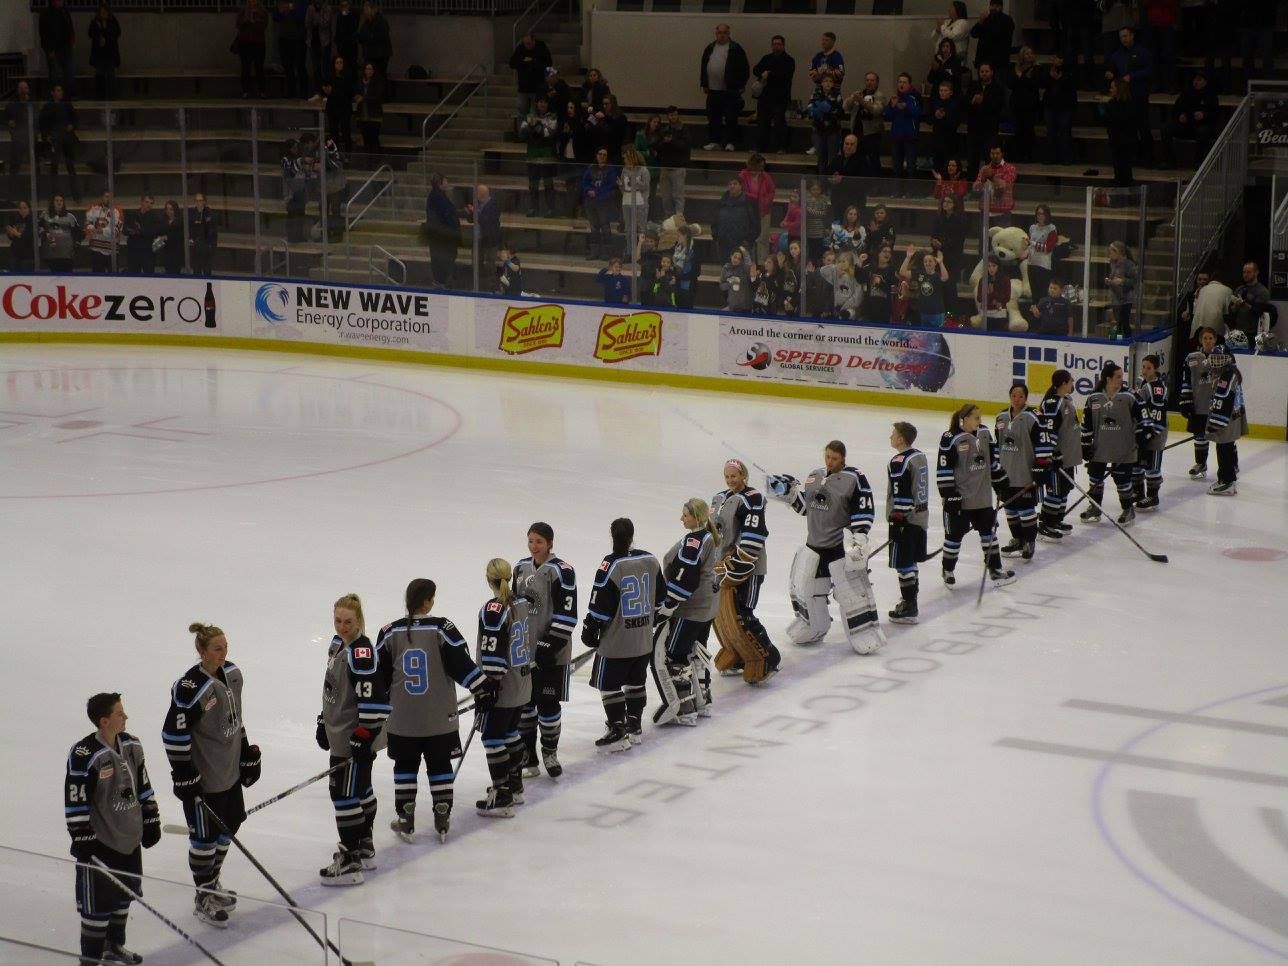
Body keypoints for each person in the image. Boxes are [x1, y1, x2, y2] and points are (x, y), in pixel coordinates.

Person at [381, 578, 495, 844]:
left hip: (402, 718)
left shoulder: (390, 632)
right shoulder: (442, 628)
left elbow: (379, 677)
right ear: (428, 601)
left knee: (405, 765)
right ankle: (442, 816)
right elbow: (461, 664)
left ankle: (406, 818)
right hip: (440, 717)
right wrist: (483, 687)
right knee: (440, 764)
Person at [161, 623, 260, 928]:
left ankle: (211, 882)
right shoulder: (192, 688)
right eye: (216, 648)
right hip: (205, 778)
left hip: (228, 772)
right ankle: (203, 895)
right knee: (204, 839)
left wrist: (245, 754)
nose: (223, 653)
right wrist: (184, 774)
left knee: (228, 827)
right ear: (201, 652)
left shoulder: (233, 674)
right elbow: (172, 734)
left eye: (225, 646)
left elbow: (237, 718)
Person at [66, 692, 160, 966]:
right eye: (120, 713)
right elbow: (75, 800)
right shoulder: (85, 755)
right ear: (104, 721)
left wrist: (151, 816)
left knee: (123, 897)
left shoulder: (132, 745)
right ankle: (91, 961)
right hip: (101, 845)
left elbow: (143, 785)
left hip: (129, 840)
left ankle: (114, 947)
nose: (126, 717)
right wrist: (82, 837)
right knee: (96, 911)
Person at [766, 440, 884, 654]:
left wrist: (859, 537)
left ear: (843, 458)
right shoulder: (815, 476)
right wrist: (788, 493)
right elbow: (806, 508)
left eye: (835, 458)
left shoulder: (855, 478)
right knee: (807, 589)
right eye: (827, 456)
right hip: (815, 547)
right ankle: (813, 626)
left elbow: (863, 510)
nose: (830, 461)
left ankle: (864, 631)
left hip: (839, 548)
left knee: (851, 594)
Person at [316, 593, 392, 885]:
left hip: (352, 736)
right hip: (340, 732)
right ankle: (364, 846)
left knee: (344, 795)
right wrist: (324, 719)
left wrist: (364, 735)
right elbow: (331, 687)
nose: (342, 626)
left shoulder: (361, 653)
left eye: (348, 621)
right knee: (360, 789)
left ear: (359, 621)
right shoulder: (337, 645)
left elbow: (375, 700)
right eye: (338, 620)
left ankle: (351, 858)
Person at [581, 518, 665, 751]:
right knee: (635, 681)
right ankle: (635, 724)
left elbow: (600, 606)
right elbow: (660, 599)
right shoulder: (650, 559)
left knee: (608, 684)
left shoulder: (610, 565)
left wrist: (591, 629)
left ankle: (618, 728)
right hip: (643, 640)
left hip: (616, 642)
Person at [511, 522, 578, 780]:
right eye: (530, 541)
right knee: (525, 705)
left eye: (539, 541)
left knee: (548, 704)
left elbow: (567, 614)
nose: (533, 546)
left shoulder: (562, 571)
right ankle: (529, 755)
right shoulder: (519, 568)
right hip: (524, 654)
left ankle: (550, 751)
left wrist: (548, 646)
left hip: (553, 653)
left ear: (550, 543)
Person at [472, 559, 533, 818]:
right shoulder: (521, 603)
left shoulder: (494, 609)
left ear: (489, 579)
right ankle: (515, 785)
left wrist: (489, 686)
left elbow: (493, 651)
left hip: (502, 686)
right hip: (522, 683)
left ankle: (502, 794)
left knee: (492, 738)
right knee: (510, 733)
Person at [652, 498, 720, 726]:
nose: (681, 518)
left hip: (691, 608)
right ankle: (704, 701)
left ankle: (685, 707)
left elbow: (686, 577)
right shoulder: (707, 536)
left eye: (685, 515)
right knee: (698, 650)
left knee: (675, 655)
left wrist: (668, 605)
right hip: (707, 605)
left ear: (697, 517)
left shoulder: (694, 540)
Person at [710, 458, 780, 680]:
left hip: (748, 568)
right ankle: (739, 654)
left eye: (735, 476)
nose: (731, 480)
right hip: (722, 568)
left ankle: (768, 657)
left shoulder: (752, 499)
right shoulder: (719, 498)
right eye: (727, 476)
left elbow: (753, 538)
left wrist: (735, 563)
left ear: (744, 476)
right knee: (724, 615)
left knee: (742, 614)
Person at [937, 404, 1016, 589]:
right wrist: (950, 495)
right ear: (964, 419)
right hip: (960, 499)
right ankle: (948, 569)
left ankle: (995, 570)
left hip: (982, 498)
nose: (979, 421)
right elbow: (944, 469)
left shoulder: (985, 434)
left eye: (980, 417)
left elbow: (993, 461)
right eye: (975, 417)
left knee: (989, 534)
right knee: (953, 537)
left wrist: (1001, 480)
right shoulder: (950, 439)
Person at [1079, 361, 1144, 526]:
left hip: (1123, 448)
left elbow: (1142, 420)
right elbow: (1086, 424)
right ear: (1108, 379)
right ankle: (1094, 508)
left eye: (1122, 376)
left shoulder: (1130, 397)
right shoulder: (1094, 398)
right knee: (1095, 478)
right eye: (1118, 377)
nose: (1121, 380)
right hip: (1100, 447)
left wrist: (1142, 438)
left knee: (1122, 481)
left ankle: (1128, 509)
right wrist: (1085, 444)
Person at [884, 422, 930, 624]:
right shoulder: (919, 456)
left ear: (901, 438)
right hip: (920, 517)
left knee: (903, 563)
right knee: (910, 561)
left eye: (893, 434)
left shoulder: (898, 461)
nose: (891, 437)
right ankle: (911, 602)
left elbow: (901, 492)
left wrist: (897, 519)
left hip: (905, 520)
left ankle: (909, 604)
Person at [995, 383, 1044, 562]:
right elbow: (997, 445)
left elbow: (1042, 445)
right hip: (1006, 474)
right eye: (1014, 396)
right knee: (1010, 509)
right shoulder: (1000, 417)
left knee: (1026, 509)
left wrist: (1040, 469)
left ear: (1026, 398)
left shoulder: (1034, 417)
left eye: (1020, 396)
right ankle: (1018, 539)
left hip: (1025, 473)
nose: (1017, 399)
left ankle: (1029, 541)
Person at [1036, 369, 1081, 541]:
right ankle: (1046, 524)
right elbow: (1049, 430)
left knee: (1065, 488)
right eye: (1070, 381)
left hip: (1068, 456)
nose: (1072, 384)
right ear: (1063, 383)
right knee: (1055, 490)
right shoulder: (1052, 403)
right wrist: (1052, 453)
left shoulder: (1066, 400)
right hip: (1057, 457)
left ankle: (1056, 520)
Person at [1105, 26, 1155, 167]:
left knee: (1144, 128)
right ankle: (1133, 159)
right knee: (1128, 130)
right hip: (1125, 98)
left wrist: (1132, 76)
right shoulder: (1117, 54)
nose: (1124, 39)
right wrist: (1110, 72)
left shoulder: (1143, 52)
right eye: (1121, 37)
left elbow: (1149, 70)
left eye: (1126, 36)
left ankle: (1149, 159)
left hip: (1139, 95)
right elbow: (1112, 68)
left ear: (1132, 36)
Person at [1179, 326, 1223, 481]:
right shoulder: (1191, 358)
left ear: (1215, 340)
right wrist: (1185, 401)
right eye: (1205, 338)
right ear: (1200, 340)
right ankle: (1201, 463)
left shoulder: (1221, 357)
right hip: (1199, 404)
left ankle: (1230, 465)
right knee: (1199, 437)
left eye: (1211, 338)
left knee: (1223, 438)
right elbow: (1186, 381)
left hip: (1216, 406)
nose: (1208, 341)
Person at [699, 23, 750, 152]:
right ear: (716, 33)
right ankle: (714, 141)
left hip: (729, 90)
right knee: (713, 117)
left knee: (731, 117)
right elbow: (704, 66)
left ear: (729, 34)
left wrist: (741, 85)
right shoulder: (710, 48)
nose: (722, 35)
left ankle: (730, 142)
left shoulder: (736, 49)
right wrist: (704, 83)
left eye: (724, 33)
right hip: (712, 90)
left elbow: (744, 68)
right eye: (719, 33)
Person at [1203, 347, 1245, 496]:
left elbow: (1224, 399)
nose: (1216, 361)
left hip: (1227, 419)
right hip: (1229, 418)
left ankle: (1227, 481)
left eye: (1220, 358)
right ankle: (1228, 476)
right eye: (1214, 357)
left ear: (1227, 359)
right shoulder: (1225, 374)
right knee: (1226, 447)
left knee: (1224, 448)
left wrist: (1215, 423)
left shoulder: (1228, 376)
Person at [1159, 70, 1217, 169]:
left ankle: (1198, 162)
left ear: (1205, 82)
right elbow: (1175, 110)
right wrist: (1179, 116)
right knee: (1165, 128)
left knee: (1203, 131)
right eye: (1195, 79)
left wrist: (1204, 115)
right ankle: (1169, 161)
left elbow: (1215, 113)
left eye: (1199, 80)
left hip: (1200, 126)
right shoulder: (1186, 92)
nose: (1196, 82)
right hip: (1185, 126)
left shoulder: (1211, 95)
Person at [1133, 354, 1168, 510]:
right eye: (1143, 367)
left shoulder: (1154, 387)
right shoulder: (1144, 384)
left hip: (1155, 431)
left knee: (1152, 466)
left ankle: (1153, 496)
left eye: (1148, 368)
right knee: (1138, 463)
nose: (1145, 370)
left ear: (1156, 369)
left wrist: (1151, 432)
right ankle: (1139, 494)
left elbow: (1156, 412)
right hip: (1145, 430)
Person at [752, 35, 795, 154]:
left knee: (779, 123)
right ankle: (760, 147)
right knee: (762, 123)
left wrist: (769, 73)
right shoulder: (766, 58)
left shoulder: (789, 60)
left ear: (783, 45)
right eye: (774, 44)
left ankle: (782, 147)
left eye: (778, 44)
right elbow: (755, 69)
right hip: (765, 97)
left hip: (780, 98)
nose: (776, 46)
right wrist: (763, 73)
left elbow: (786, 75)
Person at [39, 84, 80, 202]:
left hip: (66, 139)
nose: (60, 93)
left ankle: (76, 194)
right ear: (52, 92)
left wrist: (72, 126)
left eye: (61, 90)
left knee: (70, 166)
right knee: (54, 168)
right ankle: (55, 196)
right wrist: (46, 136)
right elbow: (42, 124)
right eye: (57, 90)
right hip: (54, 140)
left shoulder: (67, 105)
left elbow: (75, 119)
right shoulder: (47, 107)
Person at [519, 95, 559, 218]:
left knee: (548, 185)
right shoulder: (529, 116)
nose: (542, 104)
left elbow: (549, 134)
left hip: (547, 156)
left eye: (544, 102)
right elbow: (522, 133)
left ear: (547, 104)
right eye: (540, 102)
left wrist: (535, 127)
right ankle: (533, 208)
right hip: (532, 156)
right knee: (533, 185)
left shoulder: (552, 117)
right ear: (536, 104)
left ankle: (551, 209)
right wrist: (535, 129)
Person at [884, 73, 922, 197]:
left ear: (909, 85)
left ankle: (911, 191)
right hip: (896, 137)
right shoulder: (894, 98)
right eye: (900, 81)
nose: (901, 84)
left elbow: (916, 113)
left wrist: (905, 107)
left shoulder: (913, 99)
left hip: (910, 137)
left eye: (904, 82)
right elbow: (888, 116)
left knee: (911, 166)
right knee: (896, 166)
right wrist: (892, 106)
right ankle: (897, 190)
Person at [963, 64, 1004, 177]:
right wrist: (972, 101)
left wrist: (984, 100)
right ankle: (972, 189)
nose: (984, 73)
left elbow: (999, 107)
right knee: (972, 160)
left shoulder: (997, 88)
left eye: (986, 71)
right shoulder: (973, 86)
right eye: (982, 71)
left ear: (991, 72)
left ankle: (989, 190)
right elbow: (965, 103)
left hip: (989, 130)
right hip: (973, 129)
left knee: (989, 160)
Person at [843, 72, 884, 177]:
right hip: (856, 132)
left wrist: (862, 102)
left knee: (872, 161)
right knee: (857, 160)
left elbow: (876, 110)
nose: (869, 83)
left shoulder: (879, 96)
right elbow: (845, 107)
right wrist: (853, 99)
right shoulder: (859, 93)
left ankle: (874, 187)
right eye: (867, 80)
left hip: (871, 133)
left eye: (872, 80)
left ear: (877, 82)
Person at [582, 147, 619, 261]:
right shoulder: (590, 168)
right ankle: (594, 253)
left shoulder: (611, 169)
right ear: (596, 155)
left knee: (605, 227)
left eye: (604, 154)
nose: (602, 156)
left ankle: (607, 253)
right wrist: (588, 190)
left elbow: (611, 185)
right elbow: (584, 182)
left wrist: (597, 193)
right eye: (600, 154)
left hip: (604, 202)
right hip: (591, 202)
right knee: (594, 228)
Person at [1101, 77, 1138, 189]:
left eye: (1112, 87)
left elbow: (1120, 120)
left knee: (1125, 163)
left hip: (1125, 138)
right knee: (1117, 162)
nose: (1110, 89)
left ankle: (1125, 184)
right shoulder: (1113, 103)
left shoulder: (1127, 104)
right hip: (1115, 137)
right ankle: (1119, 180)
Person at [425, 173, 461, 287]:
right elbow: (447, 216)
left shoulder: (439, 196)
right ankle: (441, 283)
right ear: (440, 183)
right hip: (442, 237)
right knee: (441, 262)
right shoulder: (437, 197)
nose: (447, 183)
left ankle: (442, 281)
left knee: (444, 261)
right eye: (445, 181)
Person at [803, 76, 845, 175]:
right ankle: (821, 183)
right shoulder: (815, 94)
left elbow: (840, 112)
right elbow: (810, 109)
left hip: (833, 131)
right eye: (825, 81)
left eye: (830, 81)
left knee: (832, 158)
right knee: (821, 158)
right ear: (821, 83)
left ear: (833, 84)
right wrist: (817, 111)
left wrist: (827, 110)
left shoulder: (837, 95)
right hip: (819, 130)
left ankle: (830, 185)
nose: (828, 83)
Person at [901, 245, 950, 328]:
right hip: (923, 313)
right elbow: (902, 272)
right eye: (925, 261)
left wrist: (941, 262)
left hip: (936, 313)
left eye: (930, 261)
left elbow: (945, 277)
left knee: (936, 338)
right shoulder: (920, 274)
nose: (928, 263)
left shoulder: (937, 276)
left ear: (935, 263)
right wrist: (908, 257)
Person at [655, 106, 690, 219]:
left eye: (675, 114)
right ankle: (668, 218)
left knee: (678, 195)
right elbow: (657, 147)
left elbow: (685, 147)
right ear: (668, 116)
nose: (673, 117)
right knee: (666, 196)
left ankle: (679, 218)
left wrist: (672, 141)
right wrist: (665, 142)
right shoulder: (664, 130)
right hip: (665, 167)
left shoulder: (684, 129)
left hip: (678, 167)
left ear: (677, 115)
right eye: (670, 115)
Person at [1042, 57, 1078, 165]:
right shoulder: (1049, 71)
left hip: (1065, 108)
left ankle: (1066, 158)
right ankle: (1051, 157)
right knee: (1050, 133)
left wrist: (1059, 78)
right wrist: (1050, 77)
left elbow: (1071, 88)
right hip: (1050, 107)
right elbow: (1044, 84)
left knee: (1065, 134)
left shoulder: (1069, 72)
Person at [509, 32, 552, 120]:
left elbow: (548, 63)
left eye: (528, 44)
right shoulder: (520, 49)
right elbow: (512, 63)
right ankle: (522, 131)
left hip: (537, 86)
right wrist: (523, 62)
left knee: (535, 112)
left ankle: (535, 132)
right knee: (521, 112)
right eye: (525, 44)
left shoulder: (541, 47)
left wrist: (533, 62)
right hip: (523, 87)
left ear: (533, 41)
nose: (527, 46)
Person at [973, 142, 1016, 225]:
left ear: (1002, 154)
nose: (995, 156)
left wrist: (992, 177)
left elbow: (1004, 186)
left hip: (1002, 213)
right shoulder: (984, 169)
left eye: (997, 153)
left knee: (1001, 238)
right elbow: (975, 188)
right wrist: (982, 180)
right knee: (983, 238)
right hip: (985, 212)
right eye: (992, 153)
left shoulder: (1010, 168)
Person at [970, 0, 1016, 78]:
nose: (993, 8)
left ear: (1001, 7)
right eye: (992, 5)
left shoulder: (1007, 20)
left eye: (996, 6)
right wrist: (980, 21)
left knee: (998, 86)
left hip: (999, 61)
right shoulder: (985, 19)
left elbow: (998, 35)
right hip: (983, 60)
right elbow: (973, 34)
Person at [39, 0, 76, 97]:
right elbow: (43, 34)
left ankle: (68, 95)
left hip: (66, 47)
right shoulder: (46, 14)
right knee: (54, 74)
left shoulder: (64, 12)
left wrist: (71, 39)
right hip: (53, 49)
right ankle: (55, 96)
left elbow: (69, 26)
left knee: (69, 72)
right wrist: (48, 49)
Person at [5, 81, 34, 198]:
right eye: (21, 88)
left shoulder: (32, 103)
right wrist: (10, 123)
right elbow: (7, 118)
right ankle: (12, 193)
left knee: (34, 166)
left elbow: (36, 118)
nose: (23, 90)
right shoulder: (12, 103)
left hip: (30, 139)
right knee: (14, 167)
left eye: (25, 88)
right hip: (17, 139)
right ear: (17, 90)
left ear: (28, 90)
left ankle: (34, 192)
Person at [234, 0, 269, 99]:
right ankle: (245, 90)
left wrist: (255, 21)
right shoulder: (243, 11)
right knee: (245, 67)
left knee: (259, 67)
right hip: (245, 42)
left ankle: (262, 90)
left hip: (258, 42)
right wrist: (246, 19)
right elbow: (238, 25)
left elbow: (264, 26)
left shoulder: (262, 11)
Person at [926, 80, 962, 177]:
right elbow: (928, 120)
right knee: (936, 167)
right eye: (941, 90)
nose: (942, 93)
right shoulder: (935, 103)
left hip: (949, 141)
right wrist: (936, 116)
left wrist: (944, 117)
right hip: (936, 140)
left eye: (945, 90)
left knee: (948, 167)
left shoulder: (955, 105)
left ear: (951, 92)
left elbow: (956, 123)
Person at [273, 0, 307, 98]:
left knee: (300, 66)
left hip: (298, 39)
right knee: (288, 67)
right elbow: (275, 16)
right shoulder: (281, 2)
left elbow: (302, 17)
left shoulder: (301, 2)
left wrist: (291, 9)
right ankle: (291, 93)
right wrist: (283, 10)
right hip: (284, 38)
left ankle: (303, 93)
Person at [1230, 261, 1270, 343]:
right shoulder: (1239, 289)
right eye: (1244, 272)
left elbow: (1259, 311)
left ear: (1256, 273)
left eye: (1248, 272)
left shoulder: (1262, 291)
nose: (1245, 275)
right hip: (1238, 332)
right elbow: (1231, 310)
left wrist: (1243, 303)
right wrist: (1236, 305)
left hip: (1253, 333)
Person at [88, 4, 121, 102]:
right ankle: (99, 96)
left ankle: (112, 95)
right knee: (99, 75)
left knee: (110, 75)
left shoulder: (112, 21)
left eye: (105, 12)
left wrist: (105, 28)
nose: (103, 14)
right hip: (99, 54)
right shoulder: (95, 22)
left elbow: (117, 33)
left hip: (110, 53)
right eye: (101, 12)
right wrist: (99, 28)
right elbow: (90, 34)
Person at [84, 191, 123, 273]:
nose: (108, 199)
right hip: (96, 250)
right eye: (106, 196)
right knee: (97, 280)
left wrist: (102, 231)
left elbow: (117, 231)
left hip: (112, 252)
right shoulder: (93, 209)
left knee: (114, 280)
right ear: (102, 197)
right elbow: (87, 224)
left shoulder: (118, 211)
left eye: (110, 197)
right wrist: (91, 229)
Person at [1104, 241, 1137, 336]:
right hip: (1116, 298)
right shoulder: (1113, 263)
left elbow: (1135, 281)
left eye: (1111, 252)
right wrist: (1110, 281)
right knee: (1117, 322)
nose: (1109, 254)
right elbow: (1113, 277)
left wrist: (1122, 281)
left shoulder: (1129, 264)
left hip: (1126, 298)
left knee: (1124, 322)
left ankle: (1127, 341)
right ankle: (1119, 341)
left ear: (1118, 253)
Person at [122, 194, 161, 275]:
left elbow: (153, 233)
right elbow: (124, 230)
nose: (149, 205)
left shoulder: (155, 217)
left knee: (149, 276)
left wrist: (138, 231)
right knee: (133, 277)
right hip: (133, 252)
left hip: (148, 252)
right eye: (147, 202)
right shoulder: (132, 215)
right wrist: (133, 231)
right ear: (142, 202)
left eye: (151, 203)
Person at [620, 145, 651, 246]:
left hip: (640, 203)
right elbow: (623, 188)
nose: (624, 160)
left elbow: (645, 186)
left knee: (641, 228)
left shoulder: (643, 170)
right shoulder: (624, 170)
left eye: (626, 158)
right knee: (628, 228)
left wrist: (633, 181)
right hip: (627, 201)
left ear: (632, 158)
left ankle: (642, 252)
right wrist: (620, 185)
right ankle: (629, 251)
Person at [857, 246, 897, 323]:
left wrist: (880, 283)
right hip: (869, 308)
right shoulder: (869, 268)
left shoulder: (892, 270)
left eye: (889, 252)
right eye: (885, 251)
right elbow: (860, 280)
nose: (887, 254)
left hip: (884, 309)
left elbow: (893, 290)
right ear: (878, 253)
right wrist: (859, 262)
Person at [1027, 204, 1059, 297]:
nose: (1040, 216)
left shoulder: (1051, 229)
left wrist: (1032, 243)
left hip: (1043, 265)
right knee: (1034, 292)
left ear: (1047, 215)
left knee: (1043, 293)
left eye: (1042, 214)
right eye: (1038, 214)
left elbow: (1048, 248)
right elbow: (1030, 245)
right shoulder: (1032, 227)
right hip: (1031, 263)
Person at [353, 61, 384, 152]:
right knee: (366, 140)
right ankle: (368, 161)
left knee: (374, 139)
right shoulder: (360, 81)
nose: (369, 71)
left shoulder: (378, 81)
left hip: (374, 116)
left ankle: (376, 160)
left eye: (370, 69)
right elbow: (356, 92)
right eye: (367, 69)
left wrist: (364, 98)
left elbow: (378, 97)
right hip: (363, 116)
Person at [356, 0, 390, 79]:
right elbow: (362, 36)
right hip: (371, 54)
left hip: (380, 55)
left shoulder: (381, 21)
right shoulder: (366, 22)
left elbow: (381, 36)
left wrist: (367, 37)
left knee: (379, 77)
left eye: (365, 9)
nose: (364, 12)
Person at [976, 255, 1011, 331]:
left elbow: (1007, 297)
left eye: (994, 266)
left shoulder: (1005, 279)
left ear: (998, 266)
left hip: (999, 314)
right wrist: (989, 295)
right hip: (986, 313)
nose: (991, 269)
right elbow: (979, 298)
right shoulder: (983, 280)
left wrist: (993, 293)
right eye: (989, 266)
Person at [305, 0, 335, 89]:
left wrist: (317, 15)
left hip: (324, 42)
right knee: (315, 68)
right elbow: (307, 23)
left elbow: (325, 23)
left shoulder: (328, 9)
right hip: (313, 41)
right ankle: (317, 91)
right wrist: (314, 16)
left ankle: (326, 90)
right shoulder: (310, 8)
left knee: (325, 68)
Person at [188, 193, 219, 276]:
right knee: (196, 270)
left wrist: (213, 247)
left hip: (206, 247)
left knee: (207, 271)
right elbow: (189, 229)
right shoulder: (190, 213)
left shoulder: (210, 213)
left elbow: (214, 232)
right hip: (195, 246)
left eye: (200, 200)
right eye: (197, 200)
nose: (198, 203)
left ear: (204, 202)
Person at [7, 201, 36, 271]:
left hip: (27, 255)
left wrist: (15, 233)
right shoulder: (16, 220)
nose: (22, 210)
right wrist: (11, 233)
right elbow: (11, 237)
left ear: (29, 209)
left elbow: (27, 236)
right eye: (20, 208)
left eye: (24, 208)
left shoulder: (33, 221)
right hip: (15, 253)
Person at [159, 200, 184, 275]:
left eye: (171, 209)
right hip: (166, 250)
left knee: (175, 272)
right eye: (167, 209)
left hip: (176, 251)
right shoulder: (163, 220)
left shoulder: (180, 221)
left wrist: (167, 237)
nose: (168, 211)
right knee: (167, 270)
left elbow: (180, 235)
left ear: (175, 210)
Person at [333, 0, 358, 70]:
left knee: (351, 65)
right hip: (341, 45)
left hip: (351, 45)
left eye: (346, 5)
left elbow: (353, 28)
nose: (344, 7)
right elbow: (338, 29)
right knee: (342, 65)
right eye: (343, 6)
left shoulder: (354, 14)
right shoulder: (340, 16)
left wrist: (347, 16)